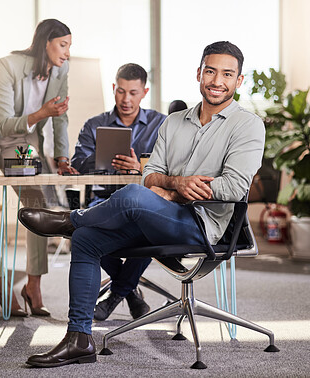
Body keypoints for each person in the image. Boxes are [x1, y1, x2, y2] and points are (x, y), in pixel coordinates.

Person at [18, 41, 265, 368]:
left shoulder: (248, 125)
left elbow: (234, 186)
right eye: (210, 71)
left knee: (131, 197)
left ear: (239, 80)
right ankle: (79, 339)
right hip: (160, 217)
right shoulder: (174, 122)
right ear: (199, 73)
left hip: (203, 228)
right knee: (87, 240)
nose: (217, 80)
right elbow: (150, 175)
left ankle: (70, 219)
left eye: (227, 74)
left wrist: (174, 189)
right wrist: (174, 184)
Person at [0, 19, 77, 317]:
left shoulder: (61, 70)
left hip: (20, 138)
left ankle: (33, 286)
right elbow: (3, 122)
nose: (68, 53)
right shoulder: (7, 65)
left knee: (37, 203)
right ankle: (0, 285)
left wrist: (61, 157)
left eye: (70, 46)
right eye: (63, 45)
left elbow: (59, 117)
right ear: (45, 42)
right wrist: (42, 112)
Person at [71, 63, 166, 321]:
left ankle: (115, 295)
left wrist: (141, 167)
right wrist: (105, 160)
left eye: (133, 93)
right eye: (121, 91)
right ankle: (130, 291)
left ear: (144, 92)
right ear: (114, 88)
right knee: (82, 232)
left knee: (149, 230)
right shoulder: (95, 124)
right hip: (104, 200)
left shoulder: (161, 124)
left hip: (146, 203)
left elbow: (174, 166)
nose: (126, 99)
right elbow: (77, 162)